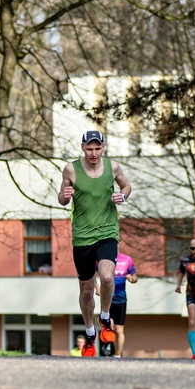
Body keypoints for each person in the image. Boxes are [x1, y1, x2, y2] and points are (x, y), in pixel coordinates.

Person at [58, 130, 132, 357]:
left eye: (97, 148)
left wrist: (123, 196)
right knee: (87, 290)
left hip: (107, 231)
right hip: (82, 236)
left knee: (108, 277)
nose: (93, 153)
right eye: (89, 148)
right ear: (82, 148)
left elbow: (126, 187)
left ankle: (106, 317)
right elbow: (61, 199)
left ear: (103, 147)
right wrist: (66, 194)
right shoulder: (71, 169)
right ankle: (90, 333)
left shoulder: (113, 167)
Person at [110, 252, 137, 357]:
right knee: (109, 327)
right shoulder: (103, 257)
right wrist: (97, 287)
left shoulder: (126, 259)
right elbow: (91, 272)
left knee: (119, 330)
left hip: (121, 299)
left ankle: (117, 354)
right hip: (107, 299)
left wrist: (132, 279)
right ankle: (108, 347)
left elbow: (135, 277)